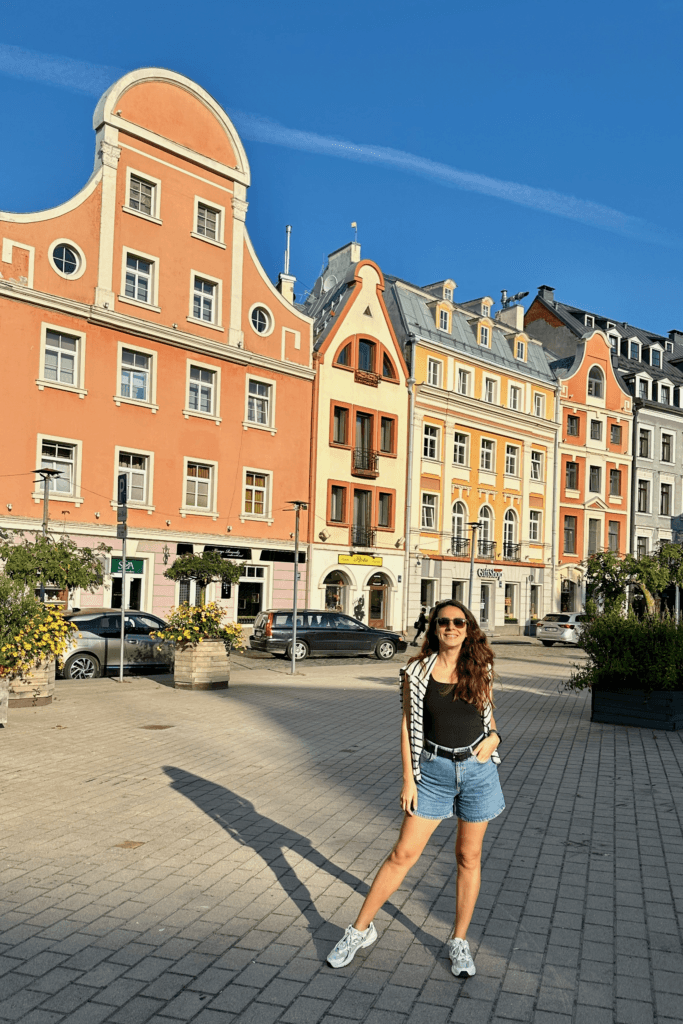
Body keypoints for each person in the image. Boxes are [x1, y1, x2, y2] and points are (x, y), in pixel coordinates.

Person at [326, 599, 504, 977]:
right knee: (402, 854)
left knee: (468, 858)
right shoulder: (416, 671)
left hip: (478, 771)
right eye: (443, 622)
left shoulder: (481, 666)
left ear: (469, 628)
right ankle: (359, 930)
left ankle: (458, 941)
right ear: (434, 628)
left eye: (458, 622)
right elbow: (408, 727)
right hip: (434, 773)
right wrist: (409, 779)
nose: (451, 627)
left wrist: (495, 739)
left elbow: (489, 716)